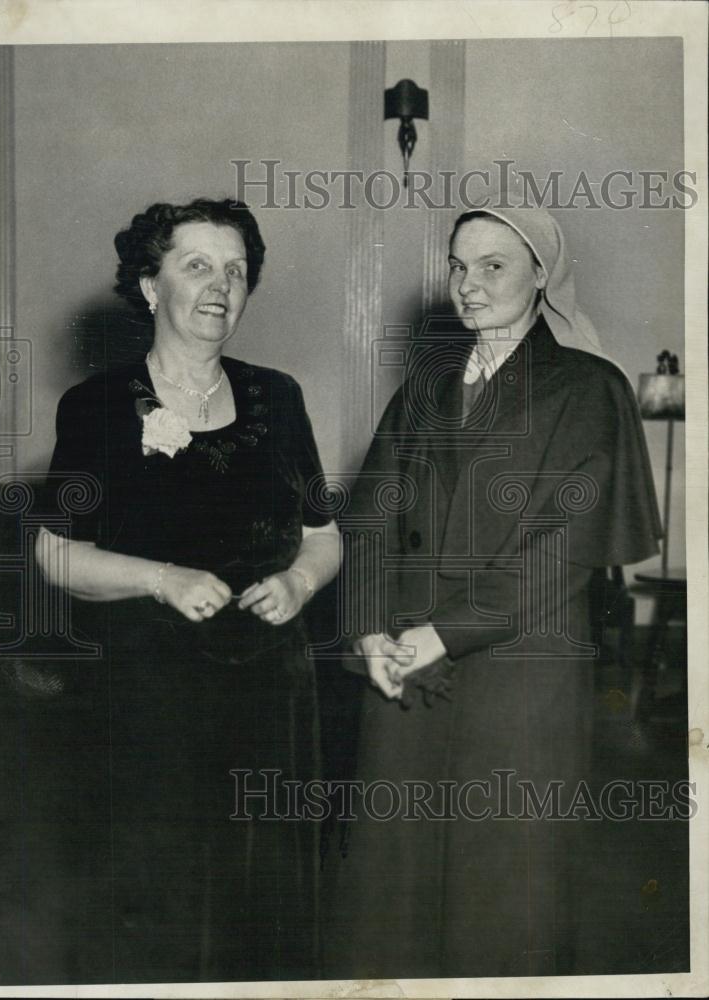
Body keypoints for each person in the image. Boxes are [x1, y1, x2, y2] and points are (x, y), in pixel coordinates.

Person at [325, 200, 661, 978]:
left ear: (542, 276)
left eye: (492, 266)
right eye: (457, 266)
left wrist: (444, 632)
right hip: (404, 660)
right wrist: (373, 628)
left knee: (505, 883)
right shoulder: (424, 386)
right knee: (391, 881)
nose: (467, 285)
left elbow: (564, 550)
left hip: (522, 665)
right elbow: (370, 517)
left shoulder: (589, 388)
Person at [35, 198, 340, 982]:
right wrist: (160, 578)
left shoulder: (279, 396)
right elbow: (54, 553)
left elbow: (322, 534)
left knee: (263, 901)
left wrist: (301, 583)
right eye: (197, 265)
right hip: (147, 697)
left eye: (236, 271)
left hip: (272, 696)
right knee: (154, 901)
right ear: (148, 284)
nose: (221, 286)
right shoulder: (99, 405)